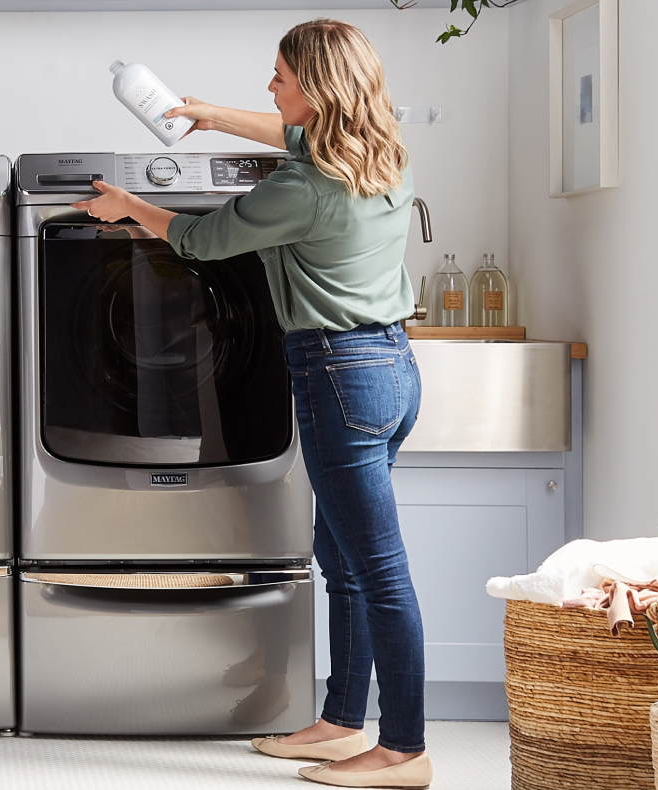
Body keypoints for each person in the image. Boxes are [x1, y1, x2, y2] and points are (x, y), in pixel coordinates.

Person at [72, 18, 430, 789]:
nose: (270, 88)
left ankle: (403, 749)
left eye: (280, 76)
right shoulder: (379, 151)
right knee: (343, 562)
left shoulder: (303, 188)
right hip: (392, 370)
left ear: (317, 87)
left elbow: (201, 241)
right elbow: (288, 132)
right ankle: (341, 723)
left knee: (379, 573)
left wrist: (130, 206)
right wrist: (208, 114)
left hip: (339, 375)